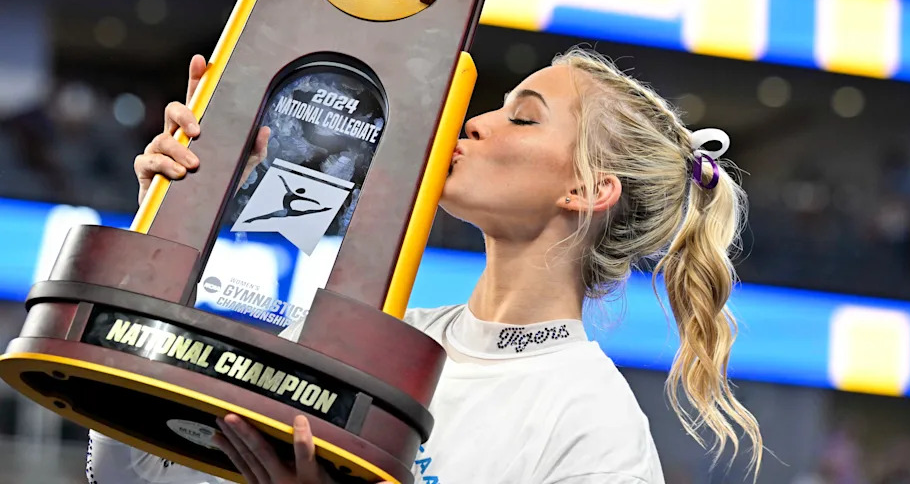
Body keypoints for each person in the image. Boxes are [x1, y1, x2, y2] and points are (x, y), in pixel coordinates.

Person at [88, 46, 763, 484]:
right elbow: (141, 470)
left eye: (523, 119)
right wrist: (174, 231)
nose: (475, 122)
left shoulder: (595, 424)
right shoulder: (377, 345)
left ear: (586, 190)